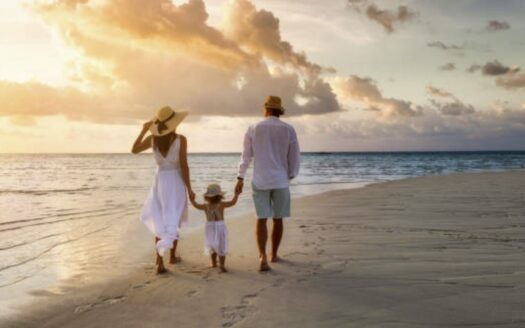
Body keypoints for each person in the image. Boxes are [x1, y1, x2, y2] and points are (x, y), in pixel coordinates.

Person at [235, 95, 300, 271]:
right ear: (280, 110)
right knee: (278, 219)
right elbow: (294, 157)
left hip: (260, 179)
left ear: (266, 109)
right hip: (280, 181)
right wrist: (290, 176)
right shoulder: (288, 129)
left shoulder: (253, 128)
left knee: (261, 219)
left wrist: (240, 177)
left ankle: (262, 255)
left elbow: (246, 156)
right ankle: (273, 254)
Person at [131, 106, 195, 274]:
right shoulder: (181, 139)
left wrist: (143, 130)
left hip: (160, 183)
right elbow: (184, 166)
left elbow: (134, 150)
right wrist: (189, 188)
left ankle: (159, 262)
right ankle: (172, 256)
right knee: (175, 216)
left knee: (160, 219)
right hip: (175, 181)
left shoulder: (153, 139)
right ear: (174, 123)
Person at [189, 184, 240, 273]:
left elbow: (196, 205)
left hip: (210, 228)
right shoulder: (222, 204)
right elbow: (232, 202)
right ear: (219, 196)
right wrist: (236, 194)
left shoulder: (205, 206)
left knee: (212, 245)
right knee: (221, 246)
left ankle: (213, 263)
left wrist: (192, 200)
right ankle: (222, 265)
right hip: (220, 227)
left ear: (207, 197)